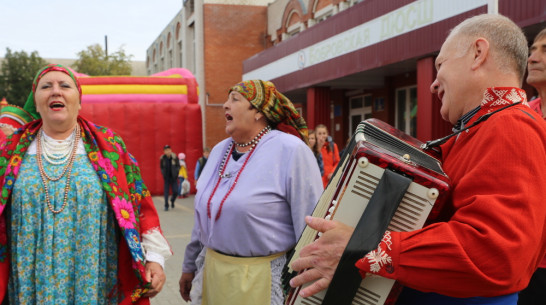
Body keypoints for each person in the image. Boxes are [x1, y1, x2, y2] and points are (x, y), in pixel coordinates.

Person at [289, 14, 546, 305]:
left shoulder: (511, 126)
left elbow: (496, 253)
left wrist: (360, 248)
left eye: (441, 65)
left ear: (478, 53)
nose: (433, 85)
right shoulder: (484, 127)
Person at [0, 64, 172, 304]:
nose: (55, 91)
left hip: (94, 281)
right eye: (46, 86)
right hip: (30, 283)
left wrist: (154, 259)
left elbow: (140, 205)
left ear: (79, 101)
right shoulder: (9, 152)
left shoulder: (110, 147)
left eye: (65, 85)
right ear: (37, 102)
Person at [179, 80, 323, 305]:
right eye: (227, 99)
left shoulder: (291, 151)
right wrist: (189, 266)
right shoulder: (219, 151)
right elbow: (203, 217)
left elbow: (310, 227)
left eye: (234, 100)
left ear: (258, 111)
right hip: (213, 275)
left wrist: (308, 287)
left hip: (261, 279)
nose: (225, 105)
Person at [518, 27, 546, 305]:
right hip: (525, 260)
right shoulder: (523, 115)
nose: (533, 58)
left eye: (545, 50)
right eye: (533, 49)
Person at [160, 144, 180, 211]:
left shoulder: (174, 157)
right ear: (164, 152)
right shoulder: (162, 158)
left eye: (169, 150)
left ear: (171, 150)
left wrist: (176, 173)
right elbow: (161, 167)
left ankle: (172, 200)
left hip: (174, 178)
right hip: (167, 178)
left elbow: (178, 166)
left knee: (176, 191)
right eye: (166, 150)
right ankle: (166, 205)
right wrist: (163, 174)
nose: (168, 151)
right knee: (166, 192)